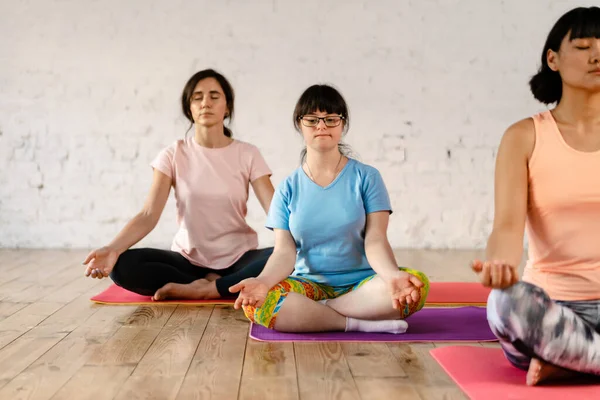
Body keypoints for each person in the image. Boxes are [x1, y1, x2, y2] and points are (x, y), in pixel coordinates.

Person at [229, 84, 429, 334]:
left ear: (342, 125)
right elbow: (284, 252)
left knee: (416, 286)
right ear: (299, 125)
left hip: (362, 285)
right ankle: (356, 322)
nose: (321, 126)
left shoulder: (367, 177)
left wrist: (391, 276)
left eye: (331, 119)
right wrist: (262, 281)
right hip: (309, 285)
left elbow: (376, 240)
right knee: (258, 305)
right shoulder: (287, 188)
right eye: (312, 120)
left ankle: (320, 311)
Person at [471, 6, 600, 386]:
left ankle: (572, 360)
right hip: (551, 309)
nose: (597, 55)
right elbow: (507, 226)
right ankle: (575, 355)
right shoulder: (524, 137)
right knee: (504, 303)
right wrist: (501, 265)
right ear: (553, 59)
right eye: (582, 45)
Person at [83, 69, 275, 300]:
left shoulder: (248, 153)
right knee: (123, 265)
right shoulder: (173, 154)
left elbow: (274, 210)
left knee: (291, 258)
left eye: (214, 96)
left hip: (239, 258)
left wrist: (299, 244)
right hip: (188, 262)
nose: (206, 102)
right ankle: (216, 285)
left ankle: (209, 287)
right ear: (189, 108)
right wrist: (113, 248)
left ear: (227, 107)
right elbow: (148, 214)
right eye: (197, 97)